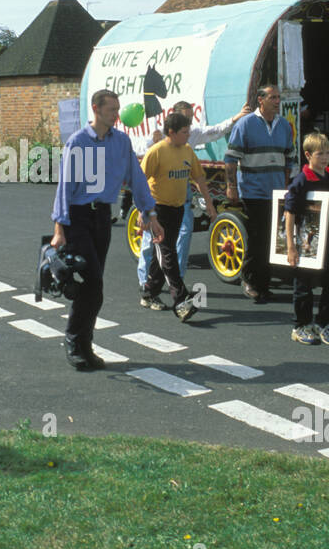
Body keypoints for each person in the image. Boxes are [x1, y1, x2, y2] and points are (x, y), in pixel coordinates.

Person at [52, 89, 163, 370]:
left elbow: (136, 179)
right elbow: (64, 187)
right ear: (96, 109)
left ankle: (83, 345)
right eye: (111, 109)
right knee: (94, 284)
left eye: (117, 109)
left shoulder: (121, 142)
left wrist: (149, 213)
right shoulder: (77, 143)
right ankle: (75, 343)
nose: (117, 114)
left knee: (94, 284)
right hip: (77, 218)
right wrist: (59, 228)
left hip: (103, 217)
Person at [135, 101, 251, 289]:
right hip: (157, 200)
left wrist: (210, 206)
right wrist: (143, 209)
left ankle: (175, 279)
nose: (190, 124)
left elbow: (213, 134)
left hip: (182, 196)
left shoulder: (189, 143)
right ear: (174, 125)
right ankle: (145, 281)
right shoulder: (158, 143)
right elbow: (140, 177)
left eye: (191, 118)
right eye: (186, 119)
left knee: (181, 236)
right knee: (152, 242)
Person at [139, 112, 216, 321]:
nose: (188, 134)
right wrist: (142, 212)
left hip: (177, 209)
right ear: (171, 132)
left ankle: (149, 292)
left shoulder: (187, 150)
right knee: (168, 253)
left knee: (162, 253)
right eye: (184, 132)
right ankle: (181, 299)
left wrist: (209, 204)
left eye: (188, 131)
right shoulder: (156, 152)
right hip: (157, 210)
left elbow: (199, 177)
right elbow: (139, 182)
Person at [224, 84, 295, 303]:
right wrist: (232, 186)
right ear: (260, 100)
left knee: (272, 239)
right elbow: (230, 159)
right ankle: (249, 281)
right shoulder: (245, 124)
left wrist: (286, 187)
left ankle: (263, 284)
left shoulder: (284, 126)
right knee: (257, 239)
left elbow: (289, 159)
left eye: (278, 97)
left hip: (276, 191)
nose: (277, 101)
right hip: (253, 192)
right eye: (272, 97)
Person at [285, 132, 329, 345]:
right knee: (303, 284)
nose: (325, 158)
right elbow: (289, 213)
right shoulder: (301, 180)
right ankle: (301, 325)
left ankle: (323, 322)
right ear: (308, 155)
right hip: (306, 239)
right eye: (320, 154)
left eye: (327, 153)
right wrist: (291, 246)